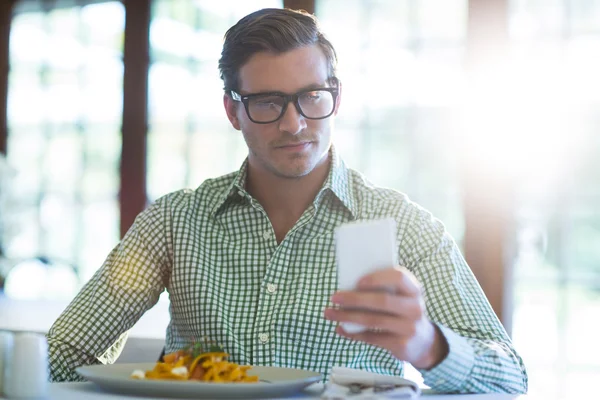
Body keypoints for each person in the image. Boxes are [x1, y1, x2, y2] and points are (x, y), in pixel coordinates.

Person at [47, 8, 528, 394]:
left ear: (335, 96)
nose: (294, 124)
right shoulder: (175, 221)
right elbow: (66, 351)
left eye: (312, 97)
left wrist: (429, 346)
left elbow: (509, 380)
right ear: (233, 110)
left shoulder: (404, 226)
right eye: (267, 102)